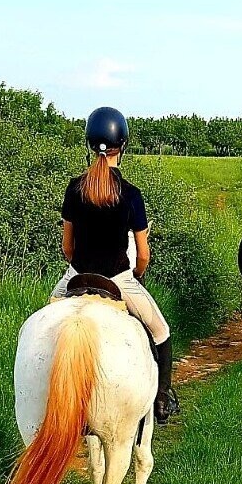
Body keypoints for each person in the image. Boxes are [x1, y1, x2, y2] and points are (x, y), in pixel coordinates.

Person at [51, 107, 179, 424]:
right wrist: (136, 275)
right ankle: (162, 401)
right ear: (123, 145)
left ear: (90, 144)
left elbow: (68, 247)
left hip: (76, 276)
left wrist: (78, 267)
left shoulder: (73, 187)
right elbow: (143, 254)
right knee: (161, 331)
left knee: (48, 321)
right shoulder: (131, 195)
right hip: (119, 278)